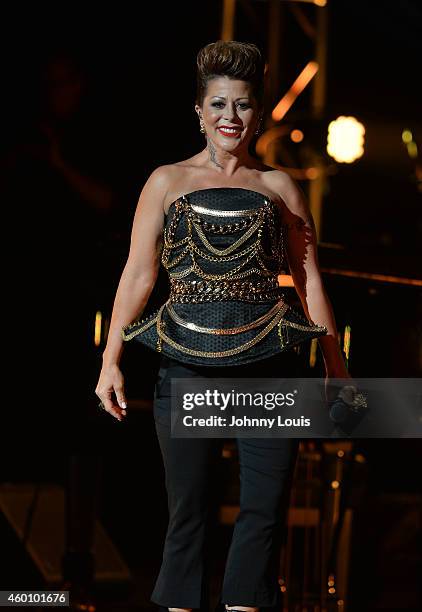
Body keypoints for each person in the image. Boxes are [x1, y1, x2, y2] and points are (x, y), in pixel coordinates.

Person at [95, 41, 351, 612]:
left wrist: (336, 370)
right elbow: (139, 273)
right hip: (187, 363)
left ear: (257, 113)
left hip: (271, 366)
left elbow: (309, 283)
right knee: (190, 511)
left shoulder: (281, 186)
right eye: (218, 105)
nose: (230, 117)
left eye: (241, 106)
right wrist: (111, 358)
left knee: (265, 507)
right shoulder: (166, 181)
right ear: (199, 112)